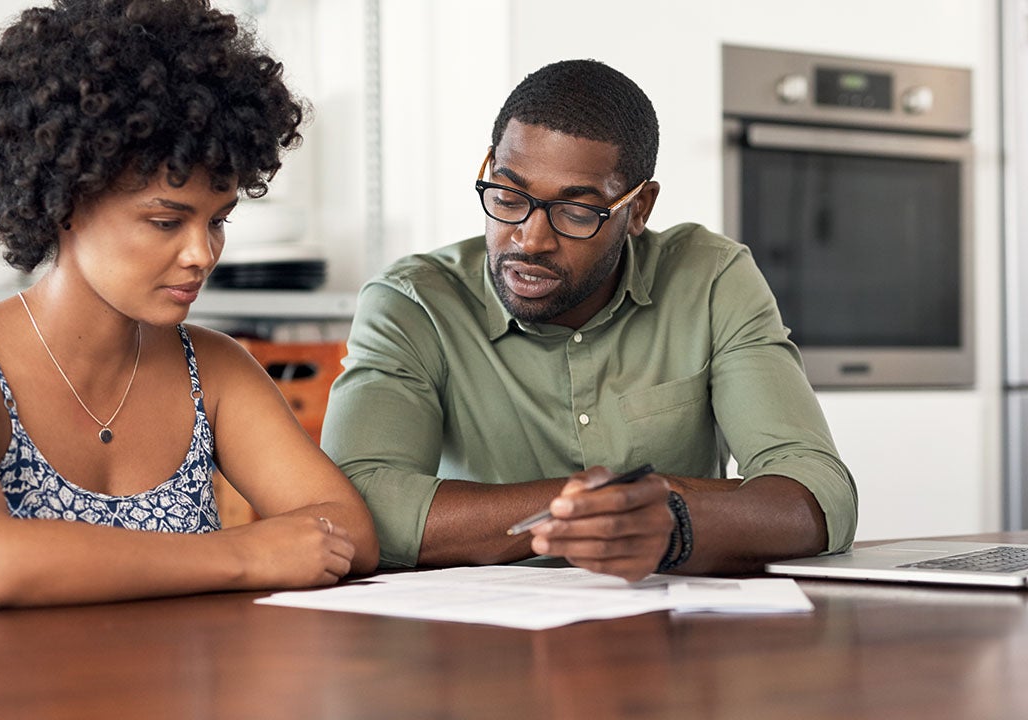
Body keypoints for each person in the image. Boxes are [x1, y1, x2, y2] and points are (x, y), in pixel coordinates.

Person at [0, 0, 377, 608]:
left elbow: (350, 533)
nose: (202, 253)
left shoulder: (213, 371)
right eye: (167, 222)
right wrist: (247, 554)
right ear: (65, 204)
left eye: (217, 221)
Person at [320, 59, 856, 581]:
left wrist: (674, 526)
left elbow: (816, 493)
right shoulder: (413, 302)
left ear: (638, 208)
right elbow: (358, 502)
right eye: (508, 196)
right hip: (485, 646)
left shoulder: (711, 278)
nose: (530, 239)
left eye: (576, 212)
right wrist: (618, 505)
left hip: (674, 636)